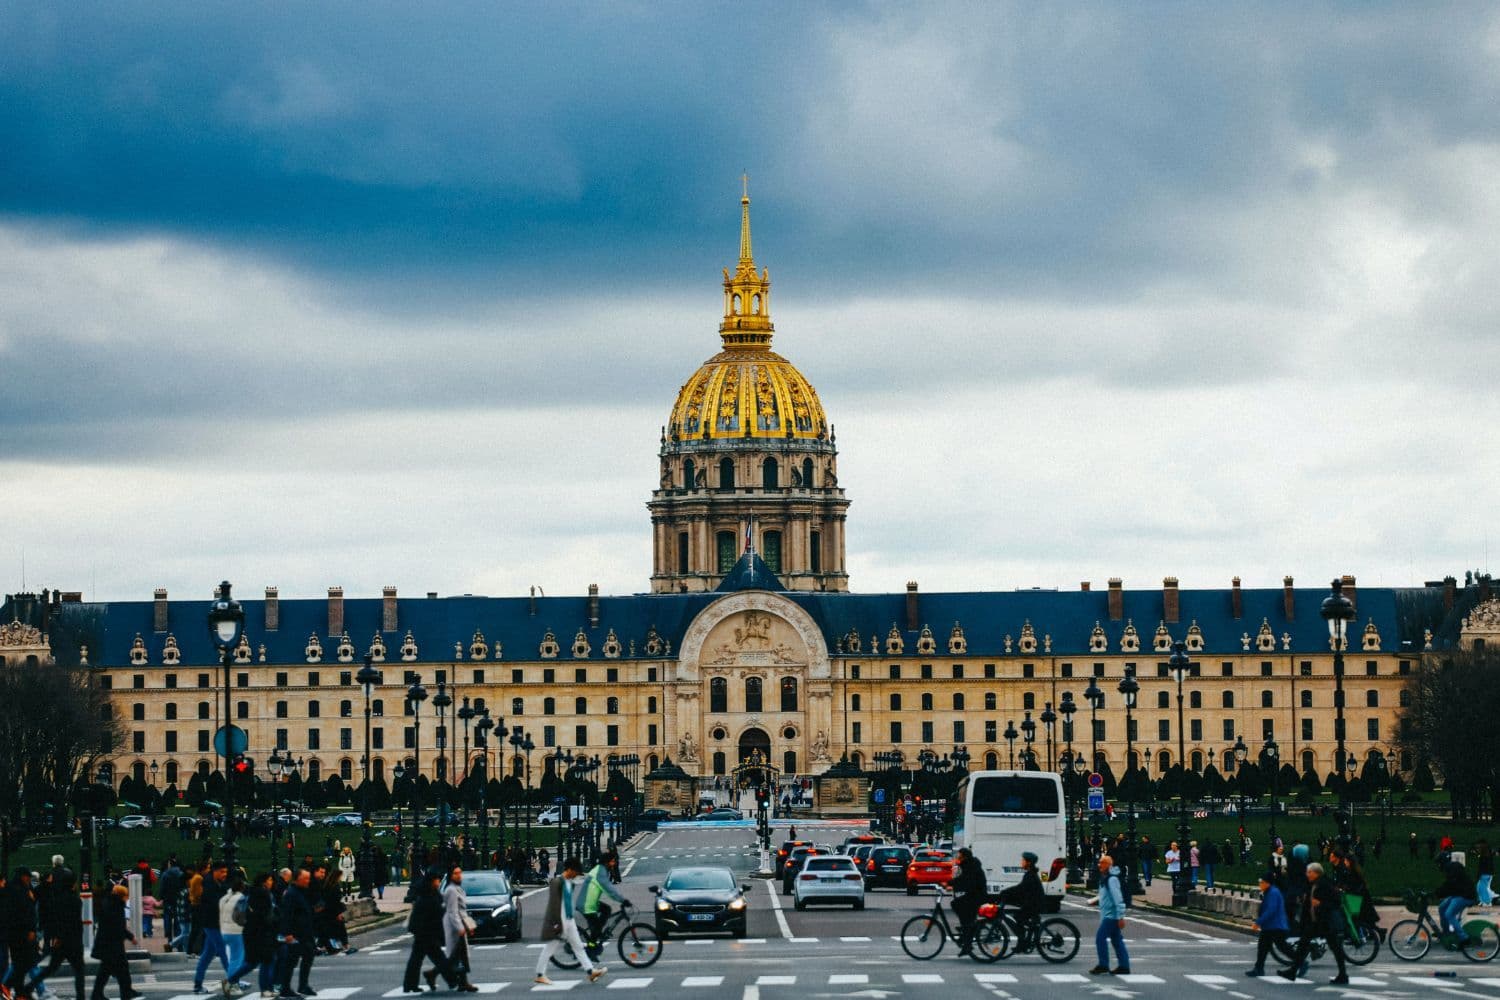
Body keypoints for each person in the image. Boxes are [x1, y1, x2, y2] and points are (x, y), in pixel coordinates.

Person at [534, 857, 604, 987]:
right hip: (560, 921)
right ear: (570, 869)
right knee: (550, 947)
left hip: (569, 920)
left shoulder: (568, 882)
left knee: (578, 946)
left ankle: (590, 971)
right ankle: (539, 974)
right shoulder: (557, 882)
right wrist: (556, 923)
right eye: (576, 872)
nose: (576, 875)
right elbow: (554, 904)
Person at [1278, 862, 1348, 985]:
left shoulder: (1325, 884)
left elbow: (1336, 902)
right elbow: (1308, 904)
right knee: (1303, 944)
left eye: (1309, 872)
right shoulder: (1313, 884)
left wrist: (1321, 903)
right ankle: (1293, 971)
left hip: (1326, 922)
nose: (1307, 874)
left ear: (1316, 873)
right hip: (1316, 922)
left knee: (1335, 948)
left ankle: (1343, 975)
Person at [401, 870, 465, 994]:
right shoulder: (428, 897)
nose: (438, 882)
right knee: (438, 959)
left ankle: (410, 984)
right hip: (426, 933)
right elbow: (435, 915)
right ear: (431, 882)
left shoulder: (430, 894)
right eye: (437, 880)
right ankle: (452, 981)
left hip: (425, 933)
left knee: (417, 960)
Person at [225, 872, 279, 1000]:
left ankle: (231, 980)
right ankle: (265, 989)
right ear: (264, 881)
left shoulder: (250, 892)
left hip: (250, 932)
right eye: (270, 880)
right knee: (267, 960)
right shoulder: (264, 893)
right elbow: (266, 915)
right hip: (262, 932)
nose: (271, 882)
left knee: (253, 962)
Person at [34, 869, 85, 1000]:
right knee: (79, 971)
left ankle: (28, 988)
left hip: (61, 940)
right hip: (73, 940)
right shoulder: (75, 899)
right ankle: (81, 996)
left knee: (51, 968)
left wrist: (57, 936)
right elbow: (73, 921)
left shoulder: (57, 898)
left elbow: (57, 919)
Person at [90, 885, 139, 1000]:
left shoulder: (109, 903)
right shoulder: (116, 906)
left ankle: (97, 994)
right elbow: (118, 926)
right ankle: (126, 993)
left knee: (105, 971)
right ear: (122, 896)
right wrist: (130, 936)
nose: (127, 898)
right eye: (126, 896)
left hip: (107, 942)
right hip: (113, 944)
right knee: (122, 970)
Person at [435, 868, 478, 992]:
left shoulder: (457, 889)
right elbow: (452, 911)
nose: (459, 875)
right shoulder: (451, 890)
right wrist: (460, 927)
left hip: (459, 923)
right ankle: (461, 982)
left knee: (458, 955)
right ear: (451, 875)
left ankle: (462, 982)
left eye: (460, 873)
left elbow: (461, 910)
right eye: (455, 873)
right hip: (454, 925)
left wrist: (468, 925)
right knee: (456, 955)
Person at [276, 868, 317, 999]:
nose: (308, 881)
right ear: (297, 879)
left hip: (305, 932)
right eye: (306, 878)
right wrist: (287, 933)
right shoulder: (291, 893)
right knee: (291, 961)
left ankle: (303, 985)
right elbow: (286, 914)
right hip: (296, 933)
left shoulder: (301, 891)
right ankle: (285, 988)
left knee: (308, 956)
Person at [193, 861, 232, 993]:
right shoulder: (208, 884)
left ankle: (198, 984)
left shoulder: (218, 883)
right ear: (214, 871)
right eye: (222, 871)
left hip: (214, 923)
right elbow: (214, 904)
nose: (224, 874)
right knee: (223, 951)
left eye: (225, 872)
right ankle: (234, 980)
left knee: (208, 955)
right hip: (211, 923)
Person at [1087, 855, 1129, 975]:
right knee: (1117, 940)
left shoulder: (1111, 879)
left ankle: (1103, 965)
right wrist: (1096, 901)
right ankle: (1124, 966)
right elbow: (1106, 896)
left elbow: (1118, 898)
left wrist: (1120, 917)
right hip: (1109, 914)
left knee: (1100, 938)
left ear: (1108, 865)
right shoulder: (1106, 878)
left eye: (1102, 863)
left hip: (1111, 916)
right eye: (1099, 862)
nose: (1099, 865)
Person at [580, 852, 627, 955]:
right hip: (587, 903)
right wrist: (622, 900)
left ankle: (597, 936)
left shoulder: (601, 870)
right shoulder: (600, 872)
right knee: (596, 928)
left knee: (606, 910)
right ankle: (591, 948)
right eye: (612, 861)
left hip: (590, 901)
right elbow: (608, 889)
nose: (614, 863)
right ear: (606, 862)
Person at [995, 852, 1044, 950]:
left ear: (1029, 863)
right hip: (1032, 901)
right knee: (1020, 917)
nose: (1022, 862)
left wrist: (1005, 892)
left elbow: (1020, 888)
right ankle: (1026, 936)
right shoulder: (1030, 873)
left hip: (1034, 903)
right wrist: (1008, 893)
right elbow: (1021, 889)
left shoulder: (1030, 875)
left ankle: (1022, 943)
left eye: (1023, 860)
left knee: (1019, 917)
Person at [1246, 872, 1289, 977]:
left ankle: (1301, 961)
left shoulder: (1273, 892)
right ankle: (1258, 968)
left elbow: (1271, 910)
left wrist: (1258, 922)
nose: (1260, 884)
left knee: (1283, 947)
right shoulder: (1269, 892)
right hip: (1270, 926)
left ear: (1267, 883)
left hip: (1275, 926)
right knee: (1263, 948)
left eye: (1262, 882)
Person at [7, 867, 41, 999]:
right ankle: (9, 986)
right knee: (25, 962)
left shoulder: (17, 888)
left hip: (16, 932)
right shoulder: (20, 891)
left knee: (19, 962)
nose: (29, 879)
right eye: (27, 876)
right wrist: (31, 929)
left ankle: (19, 992)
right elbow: (26, 912)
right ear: (22, 877)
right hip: (22, 933)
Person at [948, 847, 987, 956]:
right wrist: (951, 883)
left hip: (977, 896)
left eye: (960, 857)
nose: (958, 859)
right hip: (972, 894)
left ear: (965, 857)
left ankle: (967, 944)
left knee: (961, 909)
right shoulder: (968, 864)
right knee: (956, 904)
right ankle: (966, 929)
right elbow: (962, 879)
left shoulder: (971, 866)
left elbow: (966, 881)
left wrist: (951, 885)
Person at [1436, 853, 1478, 944]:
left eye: (1439, 863)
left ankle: (1464, 938)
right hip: (1459, 894)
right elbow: (1449, 885)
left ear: (1442, 862)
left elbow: (1450, 885)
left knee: (1449, 914)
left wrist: (1437, 893)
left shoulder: (1452, 869)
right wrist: (1436, 893)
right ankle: (1446, 933)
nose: (1438, 866)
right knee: (1442, 908)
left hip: (1466, 896)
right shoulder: (1451, 868)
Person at [219, 874, 248, 993]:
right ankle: (232, 983)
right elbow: (242, 915)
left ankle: (232, 982)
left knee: (232, 958)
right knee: (237, 959)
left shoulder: (224, 898)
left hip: (224, 930)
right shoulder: (241, 898)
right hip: (236, 931)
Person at [1476, 841, 1494, 906]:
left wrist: (1479, 874)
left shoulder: (1484, 857)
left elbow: (1482, 867)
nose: (1478, 849)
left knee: (1482, 888)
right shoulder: (1487, 856)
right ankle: (1483, 901)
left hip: (1484, 874)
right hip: (1486, 874)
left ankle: (1487, 902)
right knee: (1479, 888)